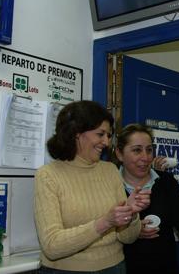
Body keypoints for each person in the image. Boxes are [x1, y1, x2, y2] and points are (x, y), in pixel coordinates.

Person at [34, 100, 150, 273]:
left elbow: (127, 238)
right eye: (100, 134)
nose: (106, 142)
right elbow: (52, 246)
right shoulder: (48, 175)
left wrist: (131, 214)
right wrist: (105, 222)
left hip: (115, 267)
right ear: (76, 133)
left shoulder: (110, 170)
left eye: (108, 135)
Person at [115, 124, 179, 274]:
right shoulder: (109, 184)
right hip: (123, 267)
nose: (145, 157)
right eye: (137, 150)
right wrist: (132, 231)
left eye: (149, 150)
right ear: (119, 153)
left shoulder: (166, 181)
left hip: (164, 266)